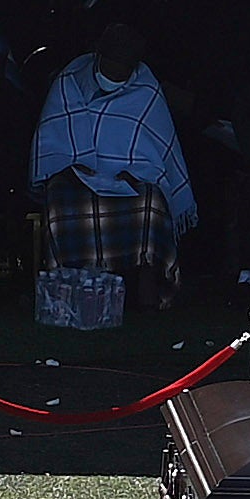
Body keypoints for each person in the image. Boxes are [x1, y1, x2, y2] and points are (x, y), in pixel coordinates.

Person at [29, 16, 196, 305]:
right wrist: (74, 166)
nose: (116, 73)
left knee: (151, 204)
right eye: (111, 64)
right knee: (59, 201)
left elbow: (155, 148)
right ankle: (69, 291)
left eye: (123, 67)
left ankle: (147, 292)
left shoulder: (146, 89)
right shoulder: (71, 81)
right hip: (75, 176)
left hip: (130, 180)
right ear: (98, 55)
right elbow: (54, 135)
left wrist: (135, 172)